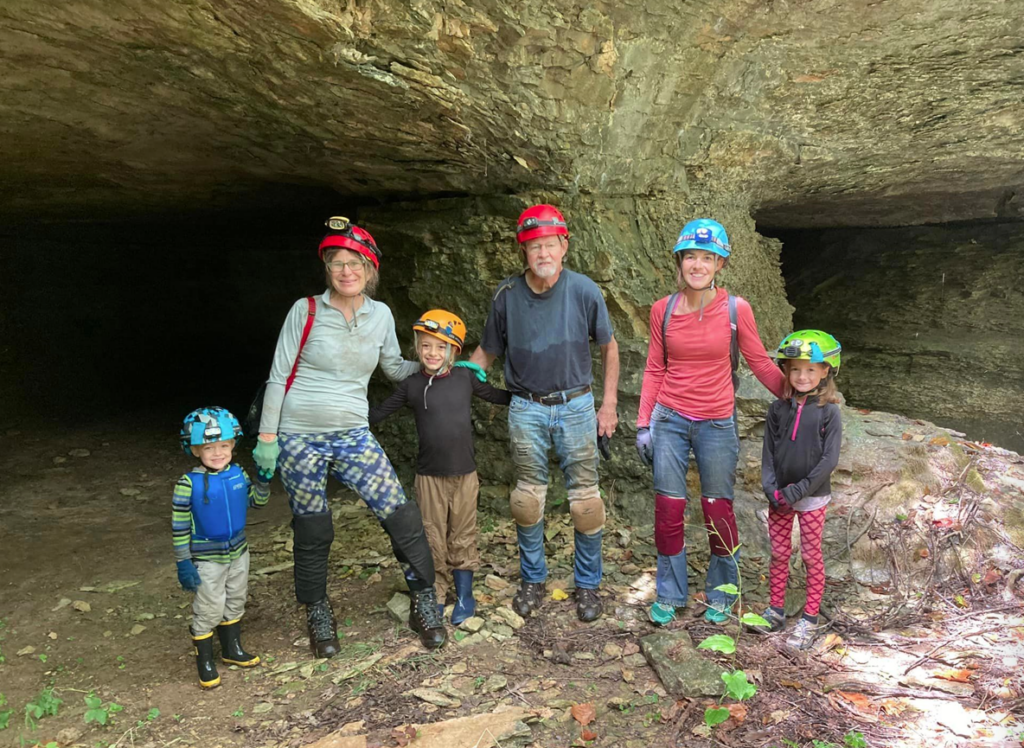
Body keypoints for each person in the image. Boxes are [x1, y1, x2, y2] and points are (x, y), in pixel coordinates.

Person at [253, 216, 447, 656]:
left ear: (370, 269)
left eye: (355, 263)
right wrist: (268, 438)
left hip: (353, 432)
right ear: (327, 269)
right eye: (337, 263)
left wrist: (436, 363)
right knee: (312, 525)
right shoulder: (304, 311)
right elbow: (279, 376)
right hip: (298, 434)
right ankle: (318, 612)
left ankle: (423, 599)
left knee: (398, 512)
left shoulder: (380, 315)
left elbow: (395, 367)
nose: (346, 271)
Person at [467, 204, 620, 623]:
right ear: (524, 252)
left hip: (576, 405)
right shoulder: (507, 295)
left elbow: (609, 347)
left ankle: (588, 586)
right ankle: (533, 580)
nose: (543, 254)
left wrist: (607, 405)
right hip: (526, 408)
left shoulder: (585, 290)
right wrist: (460, 376)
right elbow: (488, 351)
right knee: (527, 500)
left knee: (585, 502)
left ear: (564, 246)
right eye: (534, 247)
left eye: (550, 245)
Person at [636, 218, 786, 627]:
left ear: (720, 264)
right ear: (680, 261)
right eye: (691, 257)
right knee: (668, 508)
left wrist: (796, 397)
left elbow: (758, 361)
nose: (698, 265)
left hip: (717, 422)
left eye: (707, 258)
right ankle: (669, 593)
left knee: (718, 508)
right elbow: (654, 368)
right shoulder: (662, 310)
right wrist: (643, 423)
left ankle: (721, 593)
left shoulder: (737, 309)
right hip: (669, 419)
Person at [369, 309, 511, 624]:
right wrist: (346, 417)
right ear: (417, 348)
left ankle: (465, 595)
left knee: (462, 532)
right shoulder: (411, 385)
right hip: (428, 476)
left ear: (454, 351)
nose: (433, 353)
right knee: (431, 533)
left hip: (464, 474)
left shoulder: (465, 377)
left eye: (441, 347)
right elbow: (378, 412)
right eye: (426, 346)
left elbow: (498, 396)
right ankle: (436, 591)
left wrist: (528, 396)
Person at [751, 330, 843, 650]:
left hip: (812, 498)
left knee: (810, 555)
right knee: (778, 553)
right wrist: (770, 487)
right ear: (786, 371)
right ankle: (775, 610)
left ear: (825, 371)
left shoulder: (829, 412)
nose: (801, 376)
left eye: (810, 369)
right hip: (779, 498)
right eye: (795, 369)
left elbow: (829, 460)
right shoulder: (778, 409)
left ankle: (810, 618)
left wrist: (801, 489)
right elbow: (768, 451)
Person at [173, 407, 271, 689]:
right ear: (195, 450)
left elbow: (257, 502)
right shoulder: (186, 485)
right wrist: (183, 562)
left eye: (224, 446)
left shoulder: (238, 473)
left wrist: (263, 480)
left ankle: (232, 649)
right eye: (209, 447)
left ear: (233, 446)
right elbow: (179, 527)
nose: (218, 453)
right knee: (209, 606)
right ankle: (204, 660)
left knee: (236, 598)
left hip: (238, 551)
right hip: (207, 558)